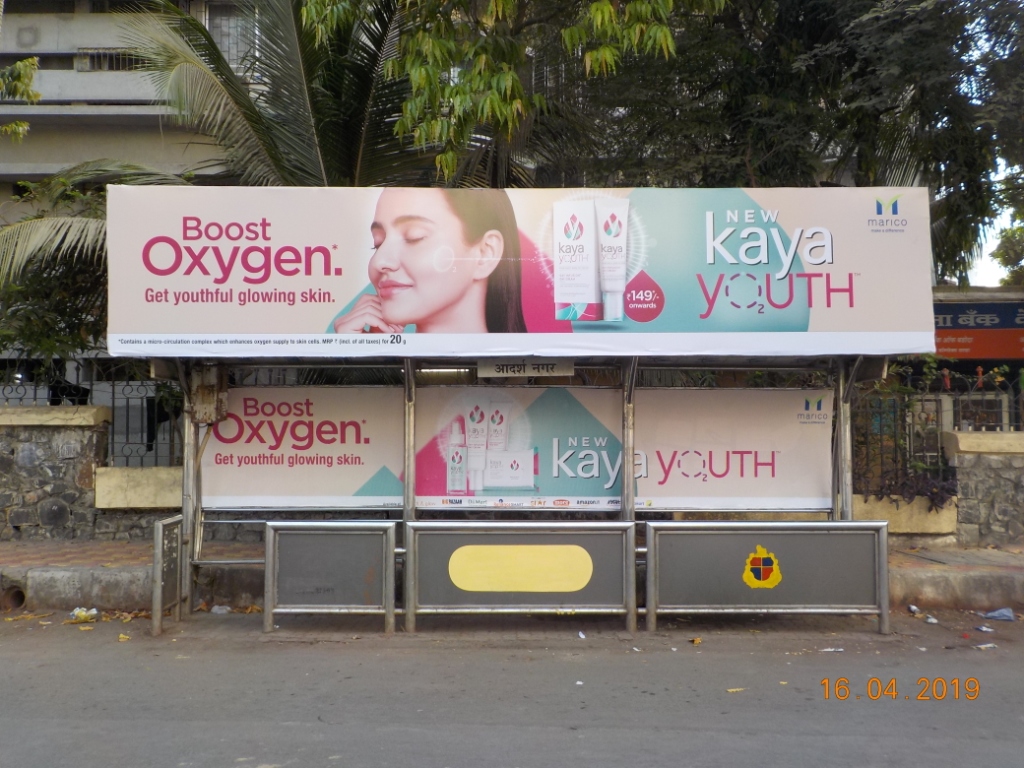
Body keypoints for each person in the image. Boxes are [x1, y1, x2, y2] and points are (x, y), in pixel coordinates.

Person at [331, 188, 527, 334]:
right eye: (378, 243)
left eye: (414, 237)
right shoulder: (380, 359)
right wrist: (358, 360)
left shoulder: (529, 378)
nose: (379, 262)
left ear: (485, 253)